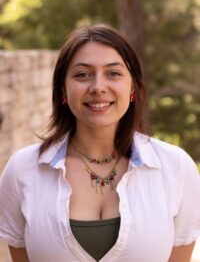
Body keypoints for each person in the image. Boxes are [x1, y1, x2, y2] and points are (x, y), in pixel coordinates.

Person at [0, 23, 200, 262]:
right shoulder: (23, 170)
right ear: (63, 90)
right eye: (82, 75)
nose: (98, 87)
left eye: (113, 73)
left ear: (132, 88)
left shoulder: (175, 168)